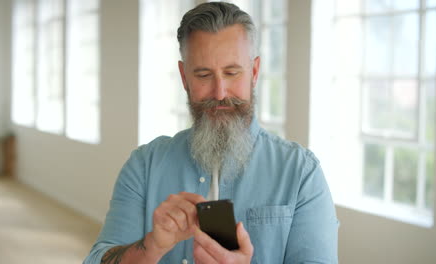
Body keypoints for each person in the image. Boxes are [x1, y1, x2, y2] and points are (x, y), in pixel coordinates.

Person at [83, 2, 339, 264]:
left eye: (231, 72)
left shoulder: (301, 173)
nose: (219, 93)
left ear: (254, 72)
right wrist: (150, 247)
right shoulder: (144, 166)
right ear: (184, 78)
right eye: (204, 75)